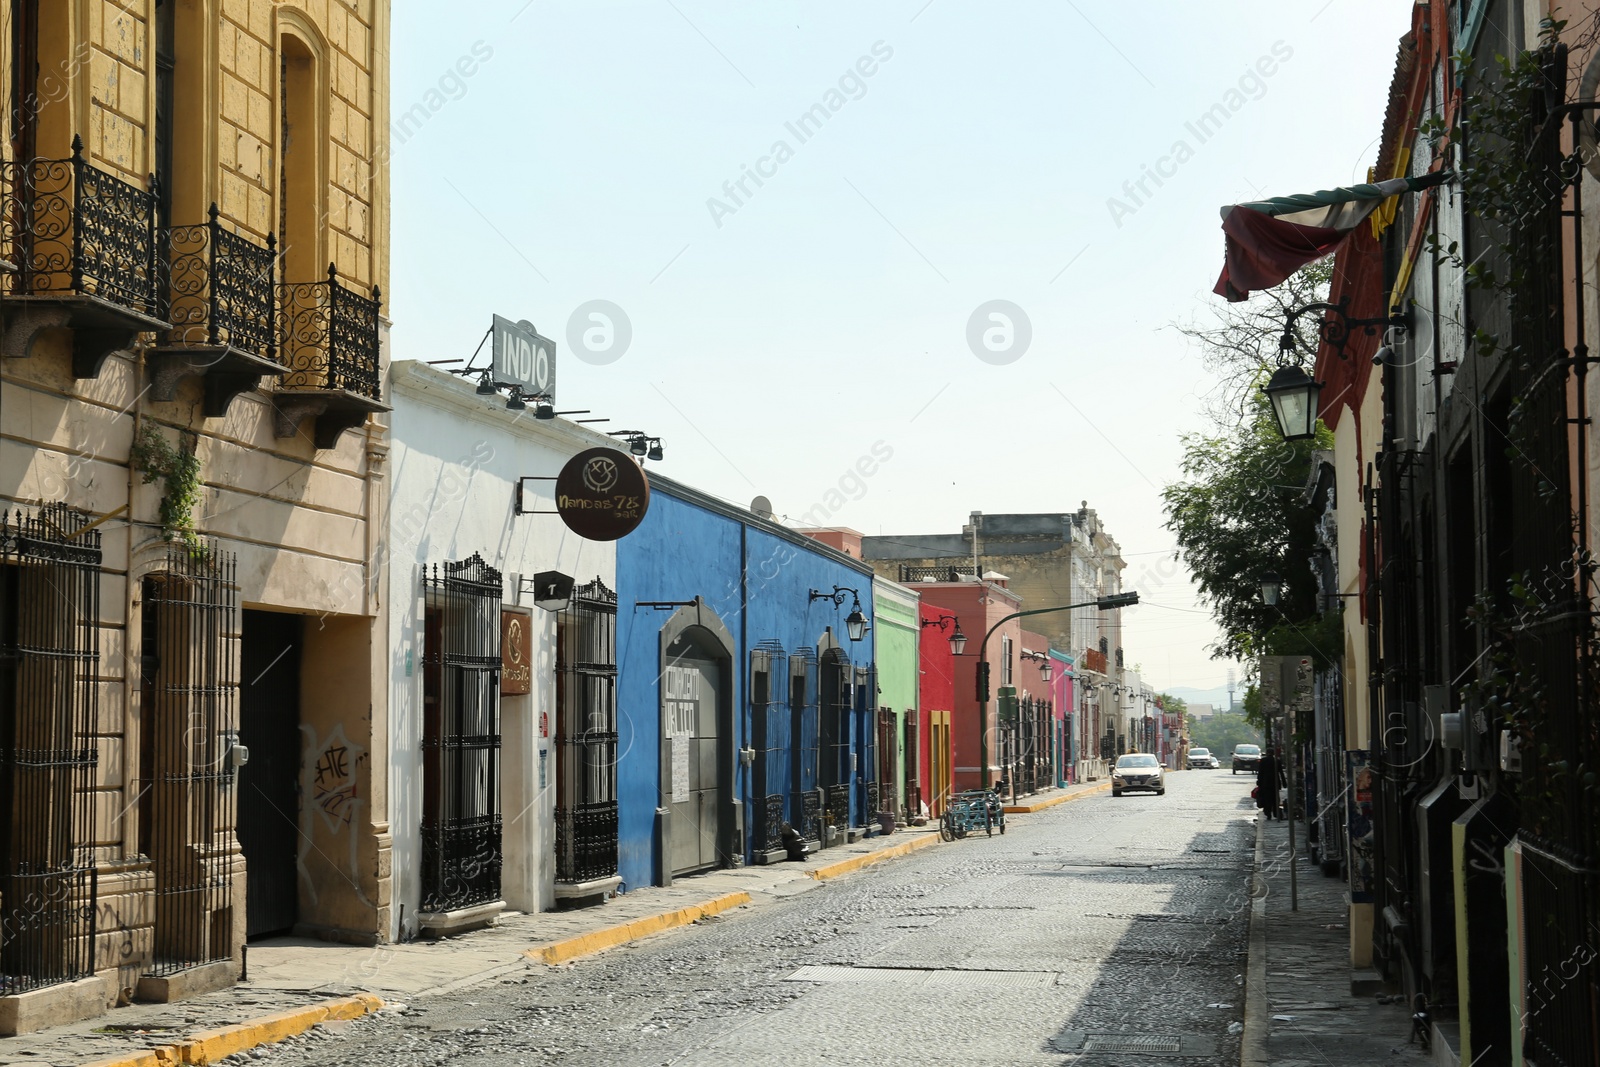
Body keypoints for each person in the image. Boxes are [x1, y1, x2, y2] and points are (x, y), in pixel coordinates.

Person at [1257, 748, 1283, 820]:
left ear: (1267, 753)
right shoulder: (1277, 761)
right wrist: (1284, 783)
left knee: (1267, 799)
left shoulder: (1263, 761)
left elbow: (1260, 772)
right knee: (1275, 799)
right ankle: (1275, 813)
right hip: (1275, 783)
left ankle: (1268, 813)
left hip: (1265, 783)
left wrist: (1259, 782)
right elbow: (1281, 772)